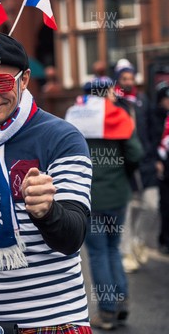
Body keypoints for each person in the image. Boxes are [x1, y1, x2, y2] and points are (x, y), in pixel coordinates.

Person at [0, 32, 93, 333]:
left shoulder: (61, 137)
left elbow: (72, 236)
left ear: (23, 80)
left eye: (0, 82)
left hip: (50, 322)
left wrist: (47, 211)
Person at [66, 78, 143, 330]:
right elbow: (135, 154)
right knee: (113, 249)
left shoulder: (73, 116)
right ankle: (120, 304)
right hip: (117, 195)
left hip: (88, 196)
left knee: (98, 254)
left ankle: (107, 312)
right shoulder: (118, 115)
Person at [113, 58, 158, 273]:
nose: (128, 82)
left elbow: (152, 128)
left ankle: (139, 240)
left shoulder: (142, 100)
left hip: (147, 161)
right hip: (124, 165)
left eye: (131, 77)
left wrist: (156, 157)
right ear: (118, 79)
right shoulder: (113, 103)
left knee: (151, 205)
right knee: (128, 209)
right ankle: (127, 251)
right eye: (124, 78)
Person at [152, 84, 169, 254]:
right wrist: (156, 160)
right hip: (162, 168)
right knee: (165, 205)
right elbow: (152, 140)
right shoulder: (155, 116)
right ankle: (165, 239)